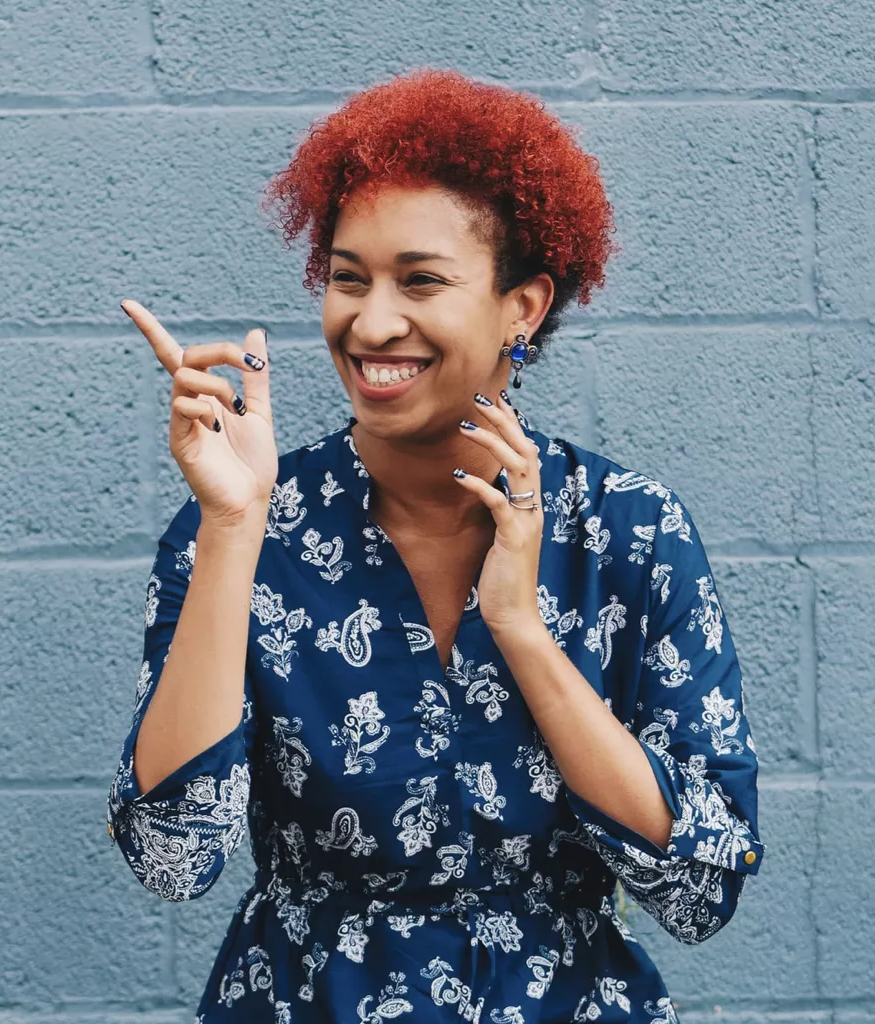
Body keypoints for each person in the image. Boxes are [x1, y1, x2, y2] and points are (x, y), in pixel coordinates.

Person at [107, 69, 765, 1023]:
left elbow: (701, 891)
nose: (371, 323)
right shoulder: (245, 523)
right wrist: (234, 529)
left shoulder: (630, 530)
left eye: (421, 280)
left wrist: (521, 630)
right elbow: (171, 858)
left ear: (522, 308)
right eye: (346, 278)